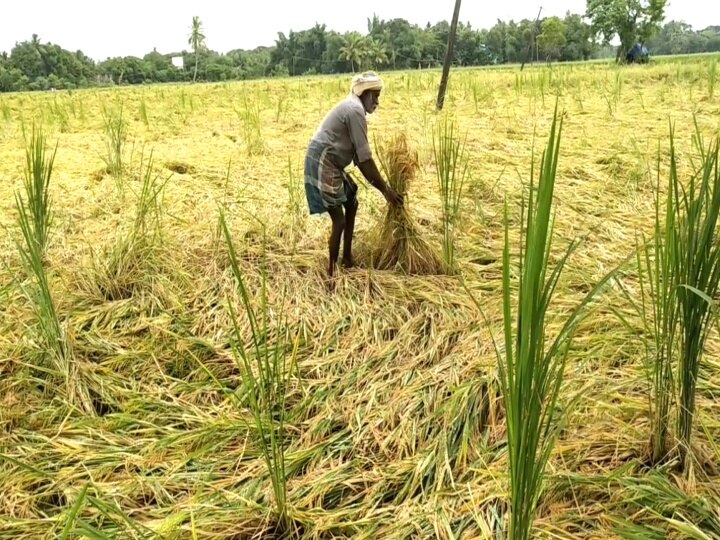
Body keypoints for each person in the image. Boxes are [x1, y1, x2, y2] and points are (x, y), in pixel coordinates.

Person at [303, 71, 404, 278]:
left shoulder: (354, 108)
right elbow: (365, 161)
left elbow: (359, 158)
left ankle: (347, 257)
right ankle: (332, 273)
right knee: (338, 220)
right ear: (364, 94)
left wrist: (384, 187)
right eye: (374, 96)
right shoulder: (355, 111)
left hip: (330, 160)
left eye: (378, 96)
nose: (376, 101)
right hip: (323, 161)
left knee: (352, 200)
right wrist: (386, 191)